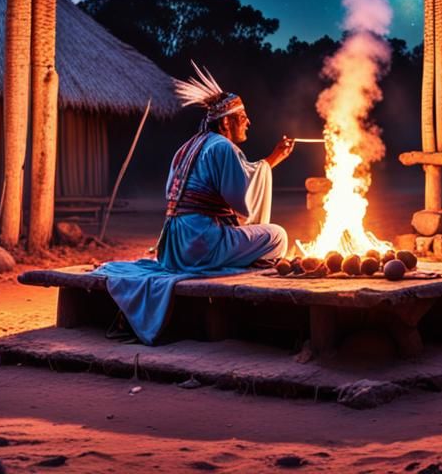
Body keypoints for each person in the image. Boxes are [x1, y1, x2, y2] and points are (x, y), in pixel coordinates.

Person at [97, 63, 296, 344]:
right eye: (242, 117)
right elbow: (243, 198)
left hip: (174, 247)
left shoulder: (187, 147)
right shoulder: (223, 148)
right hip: (201, 242)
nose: (249, 122)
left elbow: (234, 185)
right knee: (277, 236)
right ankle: (230, 267)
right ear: (225, 123)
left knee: (254, 235)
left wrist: (272, 160)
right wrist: (271, 161)